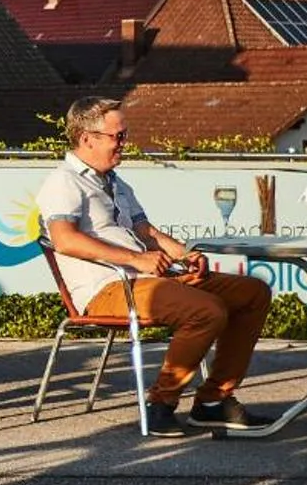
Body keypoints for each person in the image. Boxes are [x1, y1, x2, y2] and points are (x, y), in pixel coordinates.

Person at [34, 97, 276, 437]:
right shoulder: (64, 182)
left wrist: (184, 255)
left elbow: (146, 232)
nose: (123, 143)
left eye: (124, 135)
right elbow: (64, 240)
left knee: (252, 292)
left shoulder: (115, 182)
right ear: (87, 138)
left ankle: (212, 402)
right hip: (107, 288)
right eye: (116, 136)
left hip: (148, 279)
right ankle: (161, 403)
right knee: (207, 311)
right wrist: (135, 259)